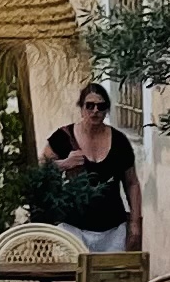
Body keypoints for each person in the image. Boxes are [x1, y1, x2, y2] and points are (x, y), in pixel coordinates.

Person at [40, 81, 145, 253]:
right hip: (73, 227)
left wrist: (135, 222)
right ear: (81, 108)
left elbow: (132, 182)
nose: (95, 110)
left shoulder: (119, 141)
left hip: (113, 229)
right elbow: (41, 169)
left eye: (101, 106)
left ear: (106, 110)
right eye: (89, 105)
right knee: (73, 271)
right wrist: (65, 163)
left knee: (112, 271)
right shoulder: (63, 137)